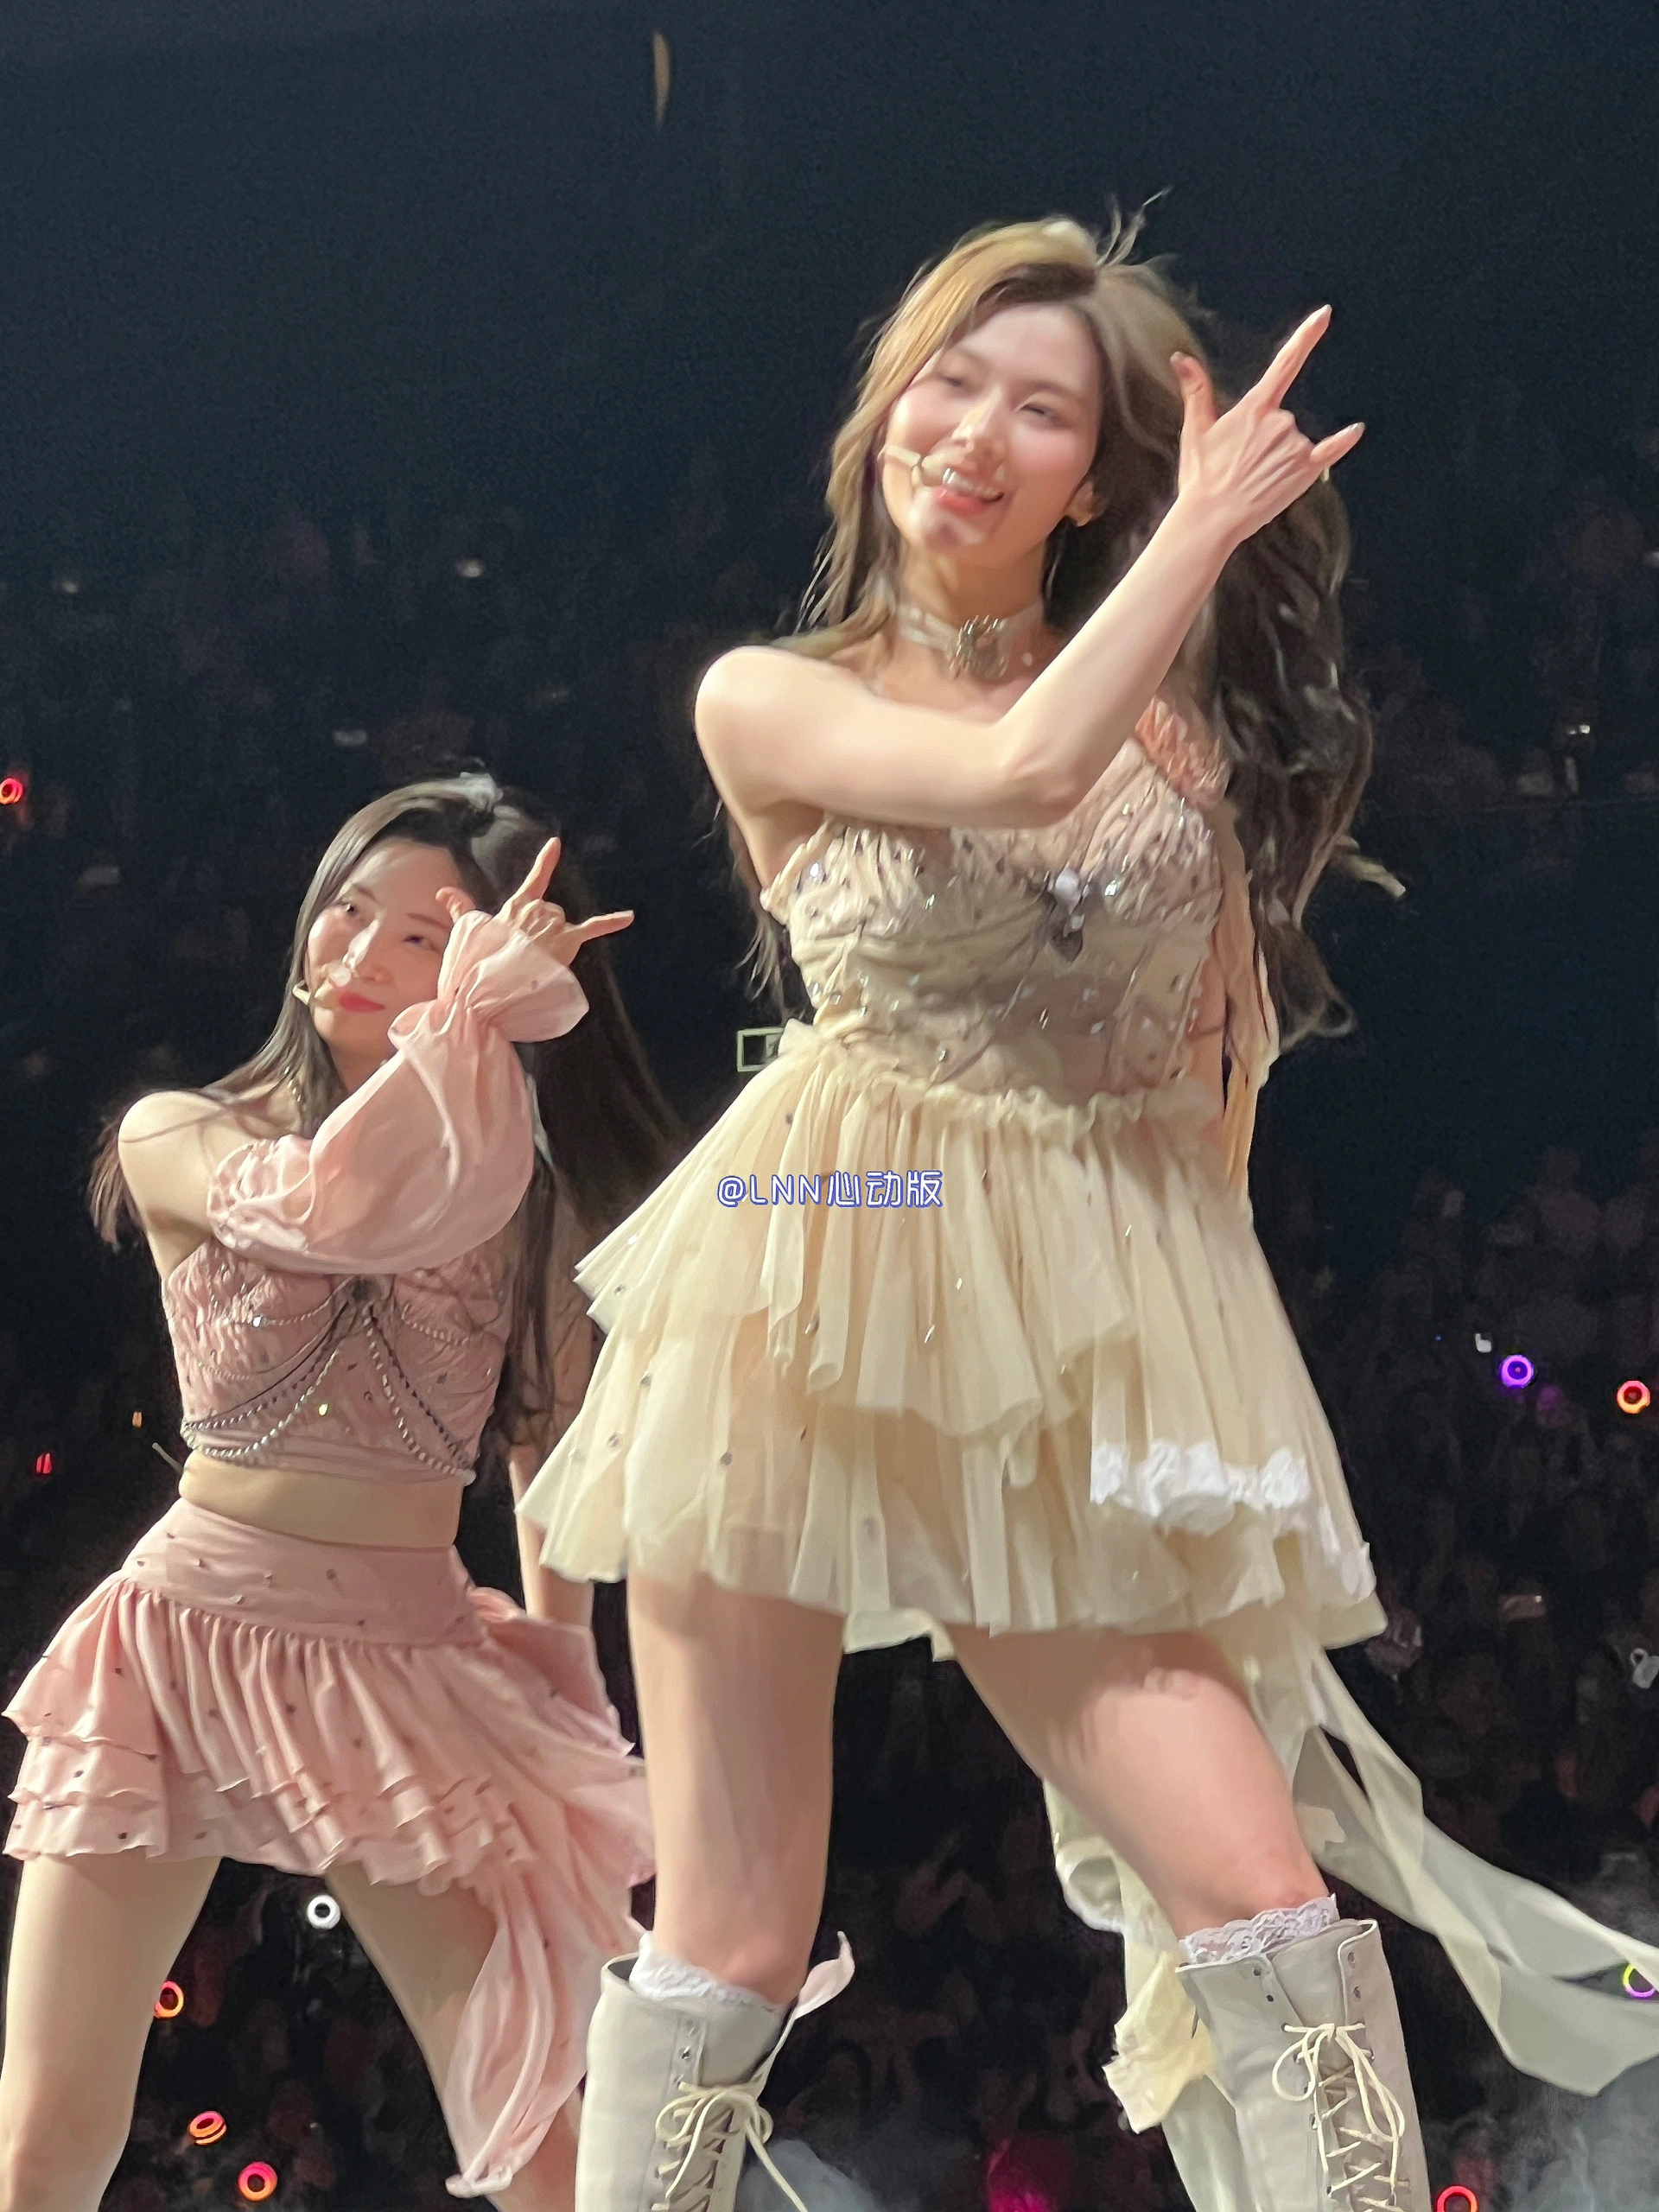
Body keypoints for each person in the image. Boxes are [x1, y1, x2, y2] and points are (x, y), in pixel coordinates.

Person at [518, 219, 1659, 2212]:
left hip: (1052, 1322)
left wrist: (1184, 1388)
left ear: (1091, 475)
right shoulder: (767, 696)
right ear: (885, 408)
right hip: (811, 1250)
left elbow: (1207, 1071)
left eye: (1038, 410)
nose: (972, 432)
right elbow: (1020, 771)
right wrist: (1198, 536)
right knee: (735, 1930)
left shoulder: (1174, 716)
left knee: (1267, 1893)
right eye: (947, 382)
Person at [0, 775, 679, 2212]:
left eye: (427, 938)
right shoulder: (180, 1131)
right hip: (181, 1640)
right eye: (347, 911)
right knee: (43, 2140)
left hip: (403, 1666)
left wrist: (561, 1678)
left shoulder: (527, 1189)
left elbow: (548, 1450)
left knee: (537, 2138)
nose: (360, 953)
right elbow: (329, 1205)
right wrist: (469, 1023)